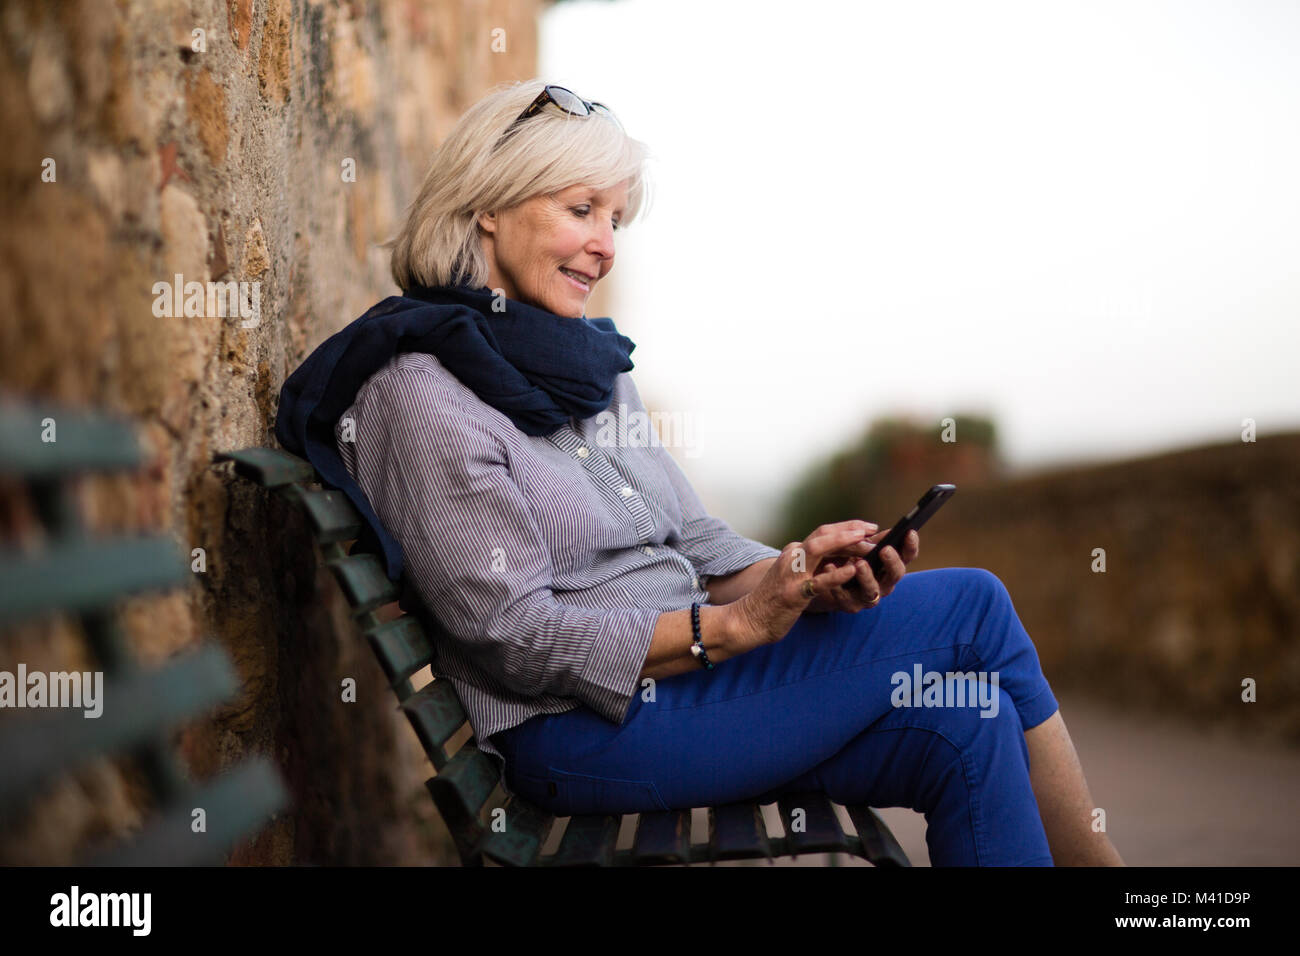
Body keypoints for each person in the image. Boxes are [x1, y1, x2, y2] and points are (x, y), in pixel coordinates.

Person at [293, 79, 1123, 866]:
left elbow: (694, 539)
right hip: (582, 729)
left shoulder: (589, 366)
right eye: (580, 210)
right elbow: (516, 638)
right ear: (485, 207)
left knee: (968, 723)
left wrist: (799, 574)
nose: (605, 246)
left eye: (615, 218)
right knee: (975, 604)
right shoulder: (417, 393)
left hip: (697, 688)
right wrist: (731, 629)